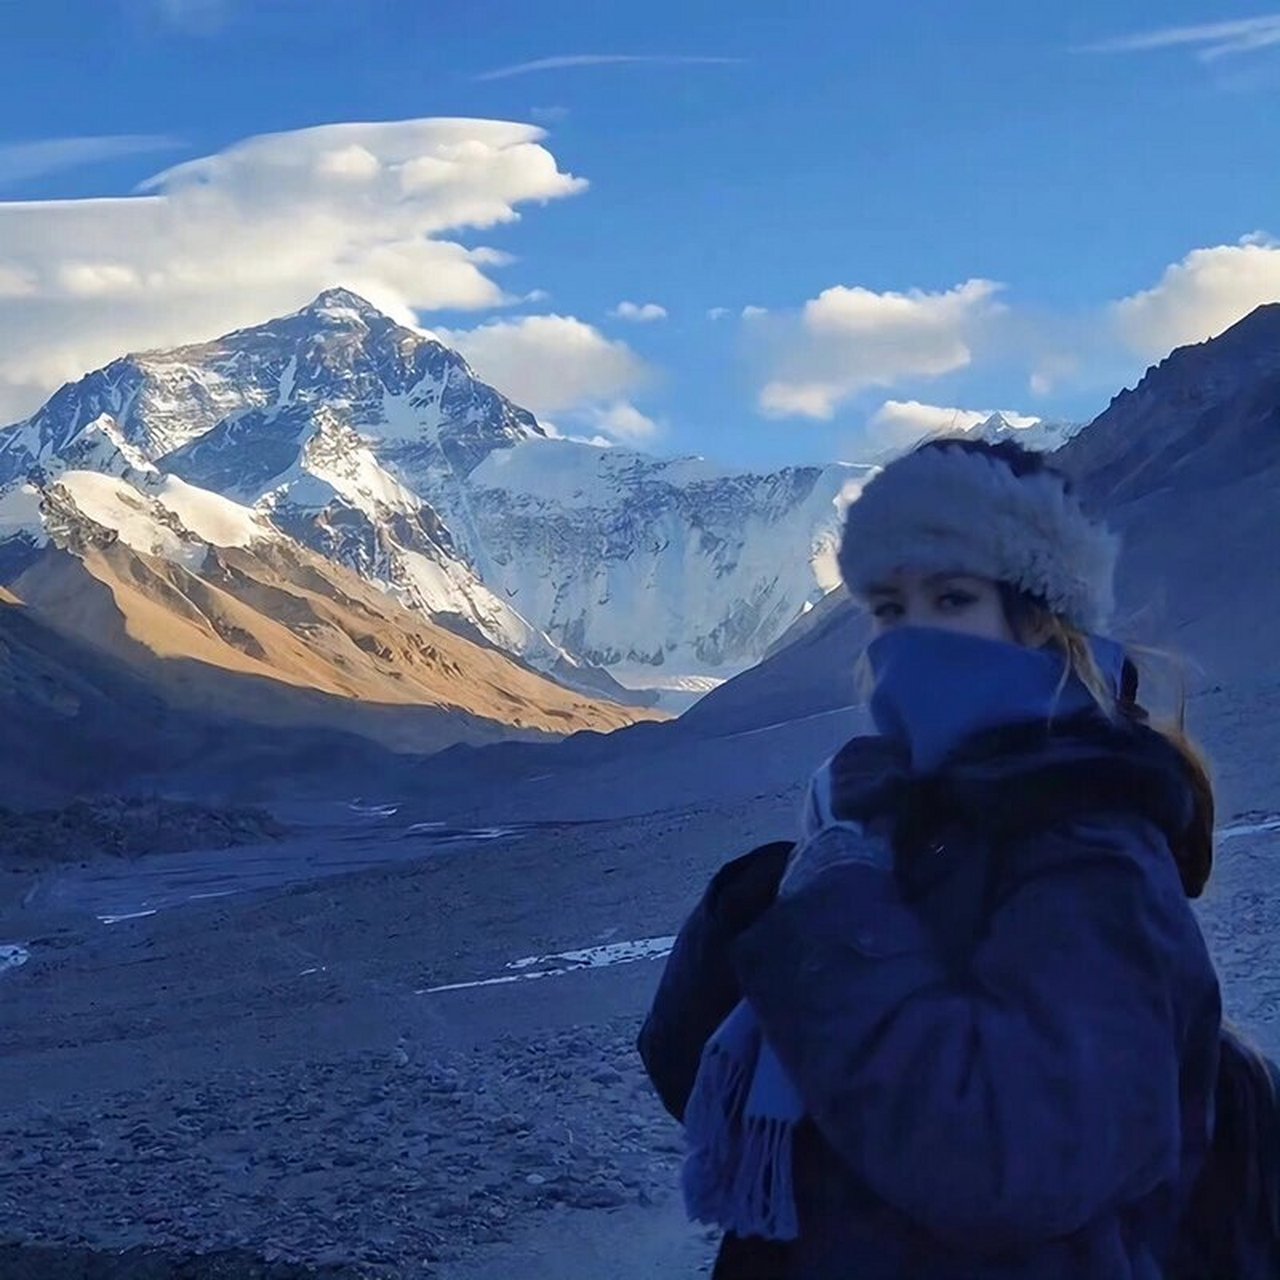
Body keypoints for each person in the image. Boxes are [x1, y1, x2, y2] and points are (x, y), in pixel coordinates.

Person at [638, 437, 1279, 1278]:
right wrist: (753, 912)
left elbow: (1012, 1166)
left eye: (949, 598)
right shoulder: (881, 826)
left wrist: (834, 921)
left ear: (1037, 621)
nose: (911, 644)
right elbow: (706, 1083)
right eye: (892, 610)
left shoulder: (1091, 853)